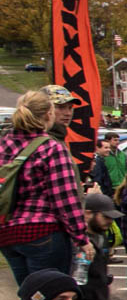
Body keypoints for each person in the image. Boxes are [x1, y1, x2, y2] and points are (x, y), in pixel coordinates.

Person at [0, 88, 89, 289]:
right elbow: (65, 199)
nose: (67, 112)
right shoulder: (51, 147)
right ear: (48, 113)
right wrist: (81, 238)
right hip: (43, 231)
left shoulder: (5, 143)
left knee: (30, 296)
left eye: (70, 108)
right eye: (60, 107)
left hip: (8, 231)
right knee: (51, 296)